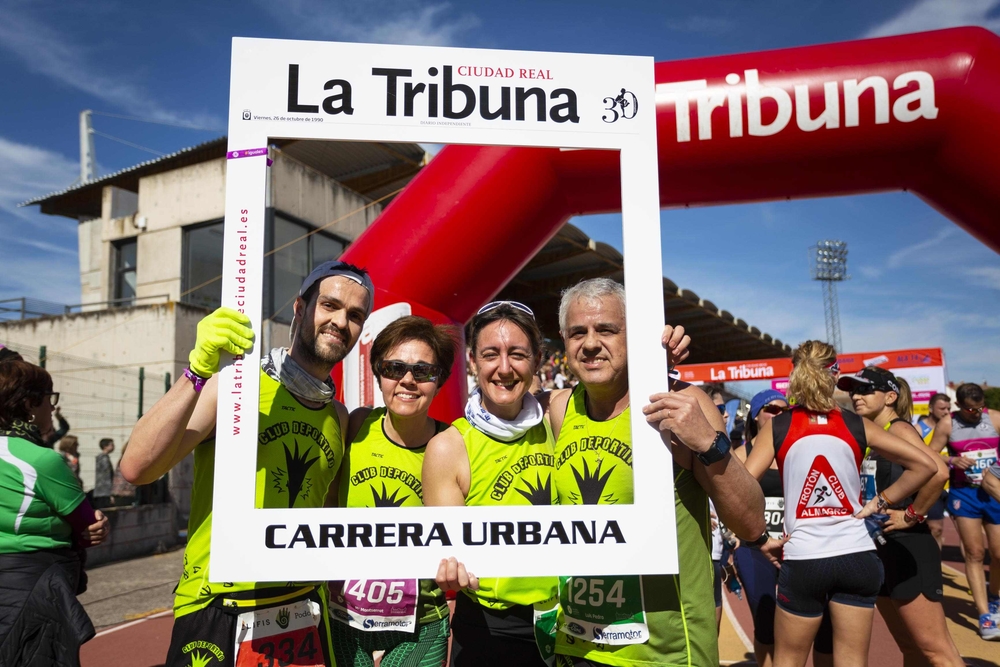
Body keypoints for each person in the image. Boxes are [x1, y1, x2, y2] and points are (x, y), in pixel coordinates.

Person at [122, 260, 375, 667]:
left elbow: (324, 509)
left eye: (355, 315)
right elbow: (137, 467)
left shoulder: (338, 417)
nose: (341, 321)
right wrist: (198, 371)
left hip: (303, 607)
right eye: (329, 305)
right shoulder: (238, 386)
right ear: (300, 308)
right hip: (219, 607)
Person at [548, 278, 766, 667]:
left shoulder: (682, 404)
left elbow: (750, 524)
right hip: (578, 643)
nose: (591, 343)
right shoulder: (561, 409)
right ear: (563, 341)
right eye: (578, 332)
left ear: (635, 336)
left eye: (607, 330)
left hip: (664, 653)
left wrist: (708, 444)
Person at [745, 341, 937, 667]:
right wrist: (880, 501)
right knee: (851, 661)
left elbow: (743, 486)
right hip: (858, 555)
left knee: (788, 660)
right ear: (834, 375)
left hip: (805, 555)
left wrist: (760, 537)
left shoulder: (780, 425)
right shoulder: (856, 423)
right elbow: (928, 466)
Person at [423, 301, 557, 667]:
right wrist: (449, 568)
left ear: (538, 360)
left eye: (517, 354)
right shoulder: (449, 447)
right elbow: (450, 555)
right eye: (490, 354)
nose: (504, 368)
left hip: (569, 622)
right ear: (472, 362)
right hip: (490, 628)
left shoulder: (559, 420)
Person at [331, 316, 458, 667]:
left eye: (422, 371)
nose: (407, 380)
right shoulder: (355, 425)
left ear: (439, 380)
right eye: (394, 367)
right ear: (378, 373)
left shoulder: (452, 445)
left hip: (421, 625)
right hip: (345, 619)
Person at [839, 367, 962, 665]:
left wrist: (912, 514)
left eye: (866, 390)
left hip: (909, 546)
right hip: (883, 547)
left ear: (890, 396)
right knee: (909, 647)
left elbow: (939, 471)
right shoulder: (877, 436)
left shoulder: (900, 429)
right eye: (854, 390)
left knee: (936, 651)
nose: (856, 396)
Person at [0, 360, 110, 665]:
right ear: (28, 403)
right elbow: (87, 528)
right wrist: (98, 523)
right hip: (34, 586)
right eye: (50, 398)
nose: (52, 407)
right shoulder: (42, 460)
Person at [928, 382, 1000, 640]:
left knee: (999, 553)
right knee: (974, 552)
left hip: (995, 493)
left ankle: (994, 597)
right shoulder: (948, 424)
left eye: (980, 407)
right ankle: (985, 616)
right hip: (964, 493)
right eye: (970, 410)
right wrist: (952, 460)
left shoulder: (995, 419)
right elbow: (931, 454)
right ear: (958, 406)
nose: (976, 413)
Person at [918, 393, 951, 548]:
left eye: (949, 408)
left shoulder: (954, 427)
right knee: (935, 529)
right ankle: (937, 567)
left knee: (968, 533)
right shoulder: (919, 429)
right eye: (942, 408)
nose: (946, 412)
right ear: (931, 408)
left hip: (956, 485)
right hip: (933, 486)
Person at [92, 439, 115, 509]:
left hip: (100, 491)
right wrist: (111, 492)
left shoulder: (101, 457)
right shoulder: (104, 458)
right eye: (112, 445)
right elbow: (107, 476)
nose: (113, 446)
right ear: (105, 446)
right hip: (104, 492)